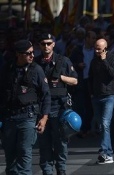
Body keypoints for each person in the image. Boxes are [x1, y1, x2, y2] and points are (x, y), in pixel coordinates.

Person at [0, 40, 51, 174]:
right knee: (10, 154)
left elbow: (46, 95)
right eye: (28, 53)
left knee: (24, 152)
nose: (32, 56)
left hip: (28, 117)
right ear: (18, 54)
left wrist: (44, 118)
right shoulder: (7, 69)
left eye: (33, 52)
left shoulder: (36, 70)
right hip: (9, 118)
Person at [34, 33, 78, 175]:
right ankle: (47, 170)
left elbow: (75, 81)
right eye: (43, 44)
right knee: (44, 143)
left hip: (59, 107)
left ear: (53, 44)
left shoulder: (63, 61)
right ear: (39, 46)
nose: (46, 46)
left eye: (48, 43)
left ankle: (61, 169)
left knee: (60, 143)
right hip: (41, 108)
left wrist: (60, 77)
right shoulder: (36, 63)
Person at [89, 38, 114, 164]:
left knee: (105, 123)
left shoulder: (113, 59)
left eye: (99, 49)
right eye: (95, 48)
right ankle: (108, 153)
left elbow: (113, 74)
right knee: (101, 126)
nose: (96, 51)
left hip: (109, 95)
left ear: (105, 48)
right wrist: (90, 93)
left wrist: (104, 60)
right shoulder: (93, 61)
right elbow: (90, 77)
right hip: (96, 96)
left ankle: (104, 152)